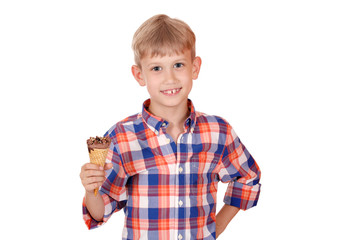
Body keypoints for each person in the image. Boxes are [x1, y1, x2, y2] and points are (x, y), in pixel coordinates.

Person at [80, 14, 261, 240]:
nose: (170, 78)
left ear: (195, 68)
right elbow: (100, 210)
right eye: (157, 68)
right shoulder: (122, 136)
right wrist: (91, 190)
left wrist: (218, 225)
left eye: (178, 65)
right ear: (139, 75)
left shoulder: (218, 132)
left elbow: (247, 177)